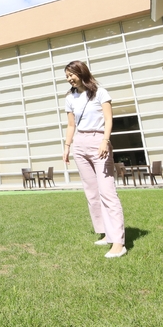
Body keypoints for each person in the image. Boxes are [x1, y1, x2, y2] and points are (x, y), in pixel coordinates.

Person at [62, 60, 127, 258]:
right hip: (80, 144)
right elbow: (71, 125)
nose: (69, 79)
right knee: (91, 192)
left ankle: (119, 243)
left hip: (99, 140)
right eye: (67, 76)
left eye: (71, 74)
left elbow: (108, 119)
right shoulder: (70, 98)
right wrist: (67, 146)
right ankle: (106, 233)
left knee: (107, 192)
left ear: (81, 72)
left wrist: (105, 141)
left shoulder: (100, 93)